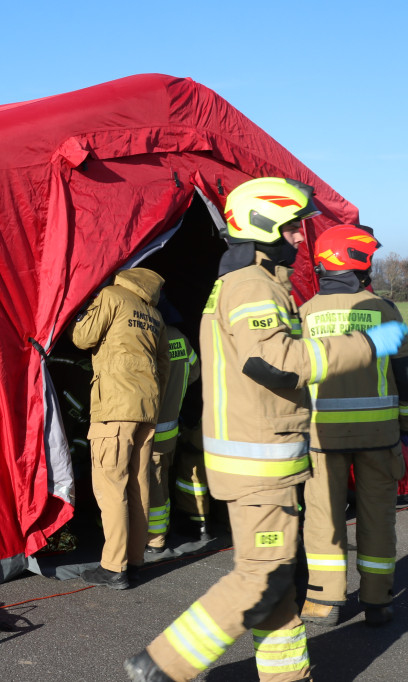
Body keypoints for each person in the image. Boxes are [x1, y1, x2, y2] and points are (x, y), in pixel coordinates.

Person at [124, 177, 408, 682]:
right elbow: (273, 364)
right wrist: (369, 344)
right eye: (295, 226)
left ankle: (286, 674)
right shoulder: (253, 285)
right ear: (265, 223)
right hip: (258, 463)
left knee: (281, 581)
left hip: (267, 459)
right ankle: (160, 665)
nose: (302, 238)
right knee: (263, 577)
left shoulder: (249, 283)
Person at [298, 224, 408, 627]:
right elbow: (405, 374)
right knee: (378, 514)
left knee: (323, 516)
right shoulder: (384, 310)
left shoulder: (304, 313)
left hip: (321, 435)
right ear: (359, 261)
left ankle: (324, 601)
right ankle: (378, 599)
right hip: (379, 434)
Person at [67, 267, 171, 590]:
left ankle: (113, 566)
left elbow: (82, 337)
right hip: (147, 408)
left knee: (111, 485)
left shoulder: (112, 297)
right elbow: (164, 364)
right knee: (138, 487)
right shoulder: (155, 315)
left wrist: (78, 315)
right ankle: (134, 561)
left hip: (114, 406)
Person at [146, 316, 200, 558]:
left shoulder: (150, 334)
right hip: (171, 427)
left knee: (154, 484)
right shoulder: (178, 335)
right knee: (162, 478)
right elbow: (194, 372)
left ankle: (156, 539)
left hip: (150, 427)